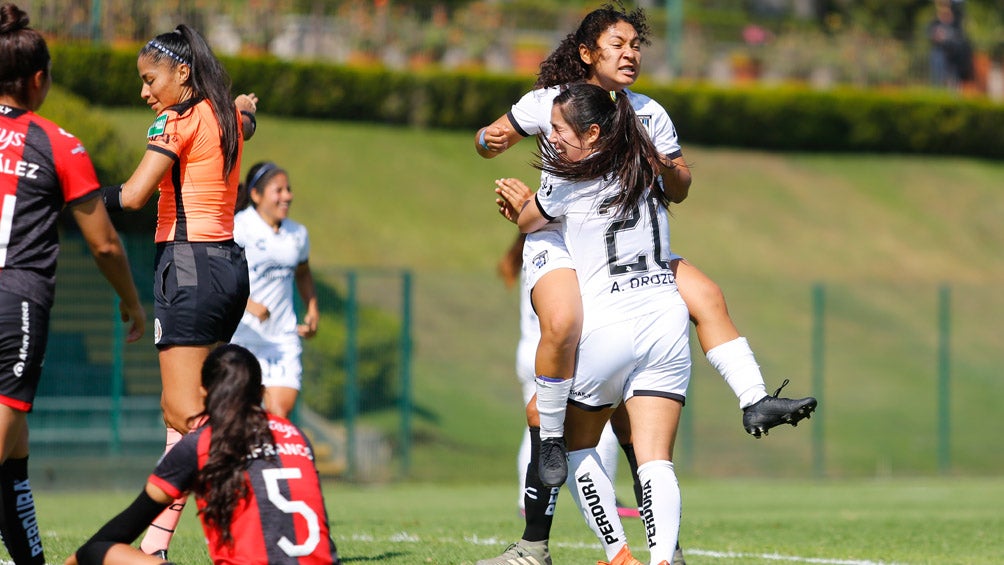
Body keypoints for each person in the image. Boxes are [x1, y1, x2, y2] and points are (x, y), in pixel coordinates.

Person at [476, 5, 814, 565]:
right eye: (619, 43)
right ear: (587, 52)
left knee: (704, 297)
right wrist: (489, 141)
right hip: (565, 242)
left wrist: (664, 165)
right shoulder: (548, 104)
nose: (631, 52)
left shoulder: (646, 114)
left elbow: (677, 187)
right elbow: (491, 143)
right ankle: (539, 537)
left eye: (637, 43)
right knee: (562, 324)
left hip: (620, 250)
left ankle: (748, 406)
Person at [499, 82, 691, 565]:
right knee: (655, 459)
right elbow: (681, 185)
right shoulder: (643, 164)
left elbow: (528, 222)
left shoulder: (570, 176)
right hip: (664, 322)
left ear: (591, 132)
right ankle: (664, 559)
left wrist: (520, 206)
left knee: (561, 435)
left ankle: (617, 553)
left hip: (609, 327)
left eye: (559, 130)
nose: (552, 139)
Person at [99, 24, 258, 558]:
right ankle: (156, 548)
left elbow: (137, 194)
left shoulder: (178, 119)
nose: (145, 92)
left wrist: (73, 197)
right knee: (188, 415)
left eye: (150, 79)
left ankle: (258, 519)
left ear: (182, 73)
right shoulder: (228, 115)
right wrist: (245, 104)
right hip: (229, 269)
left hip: (188, 267)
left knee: (187, 416)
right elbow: (247, 119)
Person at [0, 4, 146, 564]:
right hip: (15, 304)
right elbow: (105, 242)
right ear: (39, 80)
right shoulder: (58, 143)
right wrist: (132, 303)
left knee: (14, 455)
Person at [65, 344, 342, 565]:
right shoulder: (296, 434)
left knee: (97, 550)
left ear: (203, 392)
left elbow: (122, 531)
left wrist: (79, 557)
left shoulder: (201, 443)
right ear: (261, 393)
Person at [497, 233, 633, 519]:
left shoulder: (530, 253)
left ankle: (528, 499)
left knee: (538, 426)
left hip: (530, 350)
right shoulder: (560, 256)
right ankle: (607, 499)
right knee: (601, 421)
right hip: (554, 353)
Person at [231, 161, 319, 419]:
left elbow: (303, 273)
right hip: (242, 335)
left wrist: (312, 309)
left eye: (288, 189)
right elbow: (217, 276)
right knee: (239, 414)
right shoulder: (239, 227)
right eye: (278, 190)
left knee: (278, 415)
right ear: (256, 195)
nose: (287, 196)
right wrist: (248, 304)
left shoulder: (297, 234)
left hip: (282, 338)